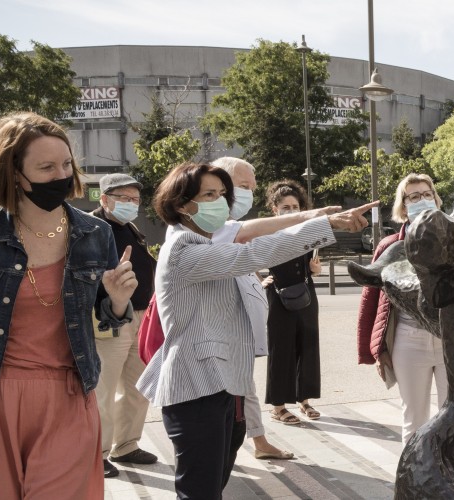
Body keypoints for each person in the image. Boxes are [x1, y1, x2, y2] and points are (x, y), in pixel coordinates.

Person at [0, 111, 137, 499]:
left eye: (67, 164)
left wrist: (118, 302)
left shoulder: (96, 233)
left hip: (69, 397)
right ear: (15, 174)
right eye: (47, 166)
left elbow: (107, 318)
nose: (62, 175)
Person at [135, 161, 374, 498]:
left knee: (212, 486)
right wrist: (326, 225)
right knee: (199, 491)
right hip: (196, 389)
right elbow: (253, 253)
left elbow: (253, 230)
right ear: (180, 204)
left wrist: (315, 215)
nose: (220, 201)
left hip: (223, 385)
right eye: (208, 194)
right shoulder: (184, 252)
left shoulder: (203, 241)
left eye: (221, 193)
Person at [211, 156, 295, 460]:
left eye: (252, 187)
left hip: (240, 335)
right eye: (244, 186)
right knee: (224, 399)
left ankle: (258, 442)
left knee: (244, 388)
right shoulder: (209, 229)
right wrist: (320, 221)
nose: (249, 193)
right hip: (218, 340)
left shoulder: (230, 228)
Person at [356, 173, 449, 444]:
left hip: (450, 340)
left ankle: (451, 482)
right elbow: (371, 299)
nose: (422, 200)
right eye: (414, 196)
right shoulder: (390, 246)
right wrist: (376, 349)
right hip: (408, 339)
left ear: (436, 198)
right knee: (414, 418)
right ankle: (411, 481)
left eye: (427, 194)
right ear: (404, 205)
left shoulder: (453, 238)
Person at [89, 173, 160, 478]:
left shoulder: (130, 228)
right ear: (104, 199)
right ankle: (98, 452)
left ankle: (127, 444)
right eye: (123, 198)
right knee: (103, 389)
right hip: (108, 317)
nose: (131, 204)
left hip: (141, 316)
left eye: (135, 199)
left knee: (137, 385)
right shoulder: (91, 228)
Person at [261, 180, 326, 426]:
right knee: (281, 348)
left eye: (295, 206)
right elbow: (245, 253)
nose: (291, 210)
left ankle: (304, 399)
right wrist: (259, 278)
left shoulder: (308, 230)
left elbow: (313, 265)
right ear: (274, 209)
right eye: (285, 206)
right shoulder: (267, 231)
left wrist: (315, 269)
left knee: (308, 346)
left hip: (306, 292)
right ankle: (278, 406)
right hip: (278, 293)